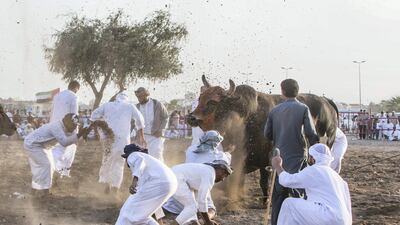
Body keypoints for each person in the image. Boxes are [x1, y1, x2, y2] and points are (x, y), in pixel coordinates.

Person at [264, 79, 320, 225]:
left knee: (278, 195)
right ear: (297, 90)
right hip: (298, 157)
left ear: (282, 91)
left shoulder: (274, 110)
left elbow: (267, 134)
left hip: (279, 157)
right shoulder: (303, 108)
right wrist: (315, 152)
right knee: (297, 192)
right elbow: (311, 133)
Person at [271, 143, 352, 225]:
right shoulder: (337, 176)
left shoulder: (315, 170)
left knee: (289, 204)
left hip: (328, 215)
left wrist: (278, 166)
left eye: (309, 156)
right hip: (345, 220)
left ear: (313, 158)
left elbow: (287, 181)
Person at [163, 130, 229, 219]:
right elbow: (224, 166)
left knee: (172, 204)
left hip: (180, 183)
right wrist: (228, 154)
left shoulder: (191, 149)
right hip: (197, 186)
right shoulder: (217, 156)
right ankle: (206, 218)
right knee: (211, 208)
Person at [91, 91, 146, 191]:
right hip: (123, 140)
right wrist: (141, 136)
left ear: (116, 98)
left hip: (108, 138)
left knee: (107, 160)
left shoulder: (107, 105)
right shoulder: (130, 106)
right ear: (126, 99)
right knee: (119, 163)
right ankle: (115, 187)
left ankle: (105, 184)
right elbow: (140, 120)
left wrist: (100, 131)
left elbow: (93, 116)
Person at [23, 113, 88, 195]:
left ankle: (37, 190)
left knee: (51, 167)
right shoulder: (56, 126)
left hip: (44, 146)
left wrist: (84, 135)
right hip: (32, 144)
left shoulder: (70, 128)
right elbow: (64, 142)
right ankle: (43, 191)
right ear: (66, 123)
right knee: (46, 165)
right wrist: (79, 135)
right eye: (73, 125)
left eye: (75, 125)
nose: (74, 127)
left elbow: (77, 143)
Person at [115, 144, 177, 225]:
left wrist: (134, 182)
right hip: (170, 184)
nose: (126, 161)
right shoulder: (148, 163)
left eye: (126, 158)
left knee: (128, 212)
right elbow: (153, 202)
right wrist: (160, 220)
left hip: (158, 183)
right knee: (140, 216)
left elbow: (139, 161)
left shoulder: (134, 155)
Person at [171, 160, 232, 225]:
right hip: (177, 178)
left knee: (192, 207)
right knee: (192, 207)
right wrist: (208, 221)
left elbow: (198, 202)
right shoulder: (210, 175)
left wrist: (201, 221)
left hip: (173, 176)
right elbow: (202, 201)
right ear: (221, 170)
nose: (222, 179)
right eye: (224, 175)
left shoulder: (205, 170)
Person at [49, 80, 80, 177]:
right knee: (66, 149)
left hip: (54, 125)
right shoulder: (73, 96)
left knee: (56, 148)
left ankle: (59, 171)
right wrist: (76, 131)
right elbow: (74, 114)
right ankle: (57, 170)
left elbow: (52, 111)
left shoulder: (57, 96)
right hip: (65, 127)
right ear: (76, 88)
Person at [135, 87, 168, 161]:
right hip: (142, 138)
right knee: (142, 159)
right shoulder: (136, 107)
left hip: (156, 137)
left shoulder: (157, 104)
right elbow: (133, 123)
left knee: (156, 155)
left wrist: (161, 130)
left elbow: (165, 117)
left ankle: (160, 172)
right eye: (138, 97)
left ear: (146, 95)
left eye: (140, 97)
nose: (139, 99)